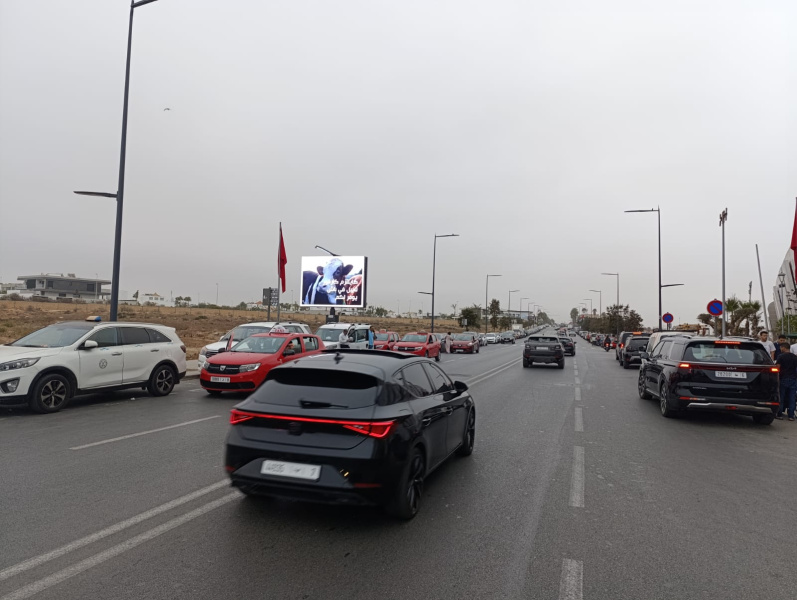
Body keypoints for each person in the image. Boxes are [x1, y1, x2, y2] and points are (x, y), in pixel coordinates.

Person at [775, 342, 797, 421]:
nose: (780, 349)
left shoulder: (781, 356)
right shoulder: (795, 357)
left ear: (784, 348)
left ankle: (779, 413)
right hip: (793, 379)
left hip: (783, 378)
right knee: (792, 397)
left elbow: (777, 367)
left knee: (781, 396)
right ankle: (791, 415)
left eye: (781, 348)